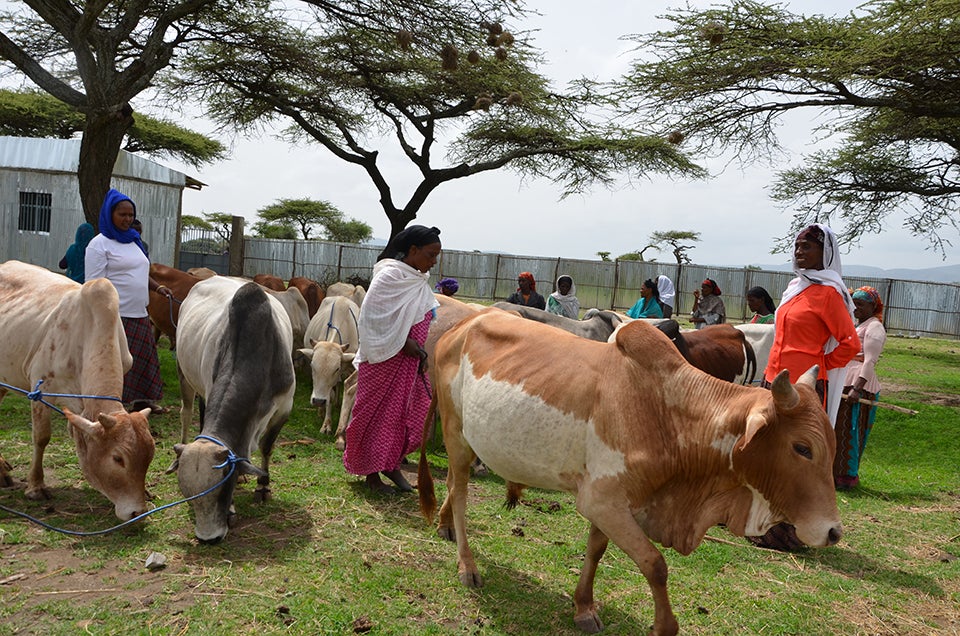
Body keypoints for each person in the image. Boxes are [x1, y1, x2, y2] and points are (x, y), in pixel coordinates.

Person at [750, 223, 859, 551]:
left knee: (795, 460)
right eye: (797, 246)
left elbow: (849, 343)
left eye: (807, 247)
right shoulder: (794, 288)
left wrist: (820, 365)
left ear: (824, 253)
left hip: (804, 390)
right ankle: (762, 523)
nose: (799, 252)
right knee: (770, 454)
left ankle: (791, 533)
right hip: (774, 382)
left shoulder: (828, 294)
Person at [343, 225, 442, 494]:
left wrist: (418, 351)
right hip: (383, 361)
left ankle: (391, 464)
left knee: (403, 415)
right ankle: (371, 473)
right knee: (374, 415)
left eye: (437, 256)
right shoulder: (389, 277)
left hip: (409, 363)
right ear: (413, 250)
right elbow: (371, 320)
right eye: (430, 254)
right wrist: (404, 343)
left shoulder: (417, 279)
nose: (433, 261)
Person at [85, 188, 173, 412]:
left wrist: (158, 287)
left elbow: (141, 272)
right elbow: (94, 285)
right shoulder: (99, 244)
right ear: (109, 214)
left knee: (141, 362)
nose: (127, 219)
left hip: (139, 312)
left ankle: (143, 402)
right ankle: (115, 404)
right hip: (115, 315)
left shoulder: (134, 241)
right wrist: (103, 315)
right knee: (117, 363)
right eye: (122, 215)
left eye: (130, 215)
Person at [834, 286, 887, 491]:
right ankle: (836, 473)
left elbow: (870, 361)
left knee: (851, 430)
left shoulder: (874, 328)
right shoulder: (859, 325)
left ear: (872, 306)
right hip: (846, 382)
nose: (856, 307)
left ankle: (847, 477)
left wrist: (857, 388)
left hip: (860, 386)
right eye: (853, 302)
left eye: (861, 304)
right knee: (841, 429)